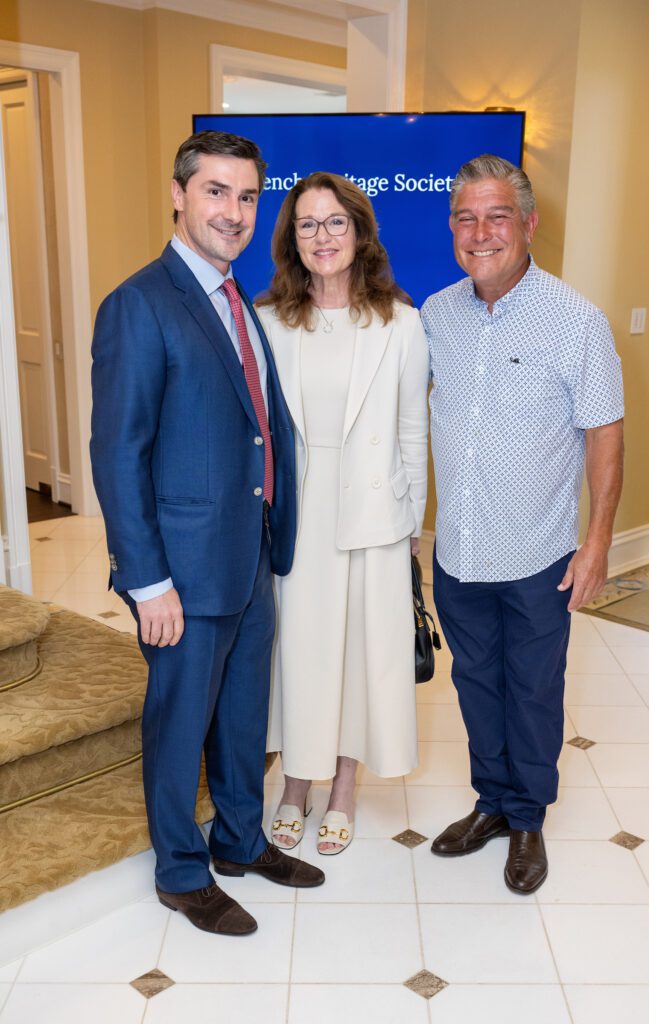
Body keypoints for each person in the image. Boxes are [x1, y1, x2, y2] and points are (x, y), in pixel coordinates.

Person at [90, 130, 324, 937]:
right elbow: (118, 453)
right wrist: (146, 579)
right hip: (182, 571)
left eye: (248, 196)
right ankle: (181, 871)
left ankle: (240, 840)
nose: (233, 211)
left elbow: (256, 430)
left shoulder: (233, 296)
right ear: (178, 194)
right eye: (217, 192)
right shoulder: (139, 303)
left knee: (239, 716)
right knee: (179, 719)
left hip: (248, 553)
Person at [422, 154, 624, 893]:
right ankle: (491, 803)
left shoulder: (574, 320)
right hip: (458, 553)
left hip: (539, 553)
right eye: (465, 217)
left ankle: (528, 818)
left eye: (496, 216)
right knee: (475, 682)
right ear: (451, 228)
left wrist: (597, 542)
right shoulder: (435, 314)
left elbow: (604, 432)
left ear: (528, 224)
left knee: (532, 687)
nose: (480, 232)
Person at [256, 172, 429, 854]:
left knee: (362, 655)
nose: (321, 236)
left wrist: (410, 522)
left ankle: (344, 791)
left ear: (359, 234)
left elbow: (412, 429)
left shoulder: (401, 323)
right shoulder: (267, 321)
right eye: (306, 224)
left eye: (334, 223)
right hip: (298, 513)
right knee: (297, 655)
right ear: (291, 239)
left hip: (372, 515)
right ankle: (295, 784)